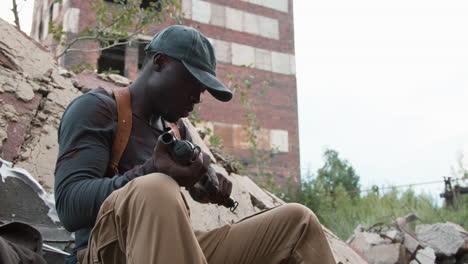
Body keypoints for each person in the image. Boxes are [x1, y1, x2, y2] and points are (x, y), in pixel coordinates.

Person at [54, 25, 336, 264]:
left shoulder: (176, 129)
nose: (198, 98)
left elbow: (175, 193)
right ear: (160, 62)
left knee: (297, 221)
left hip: (165, 248)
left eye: (204, 89)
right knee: (156, 187)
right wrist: (151, 170)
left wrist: (203, 184)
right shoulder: (98, 109)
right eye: (193, 82)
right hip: (108, 252)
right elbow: (69, 207)